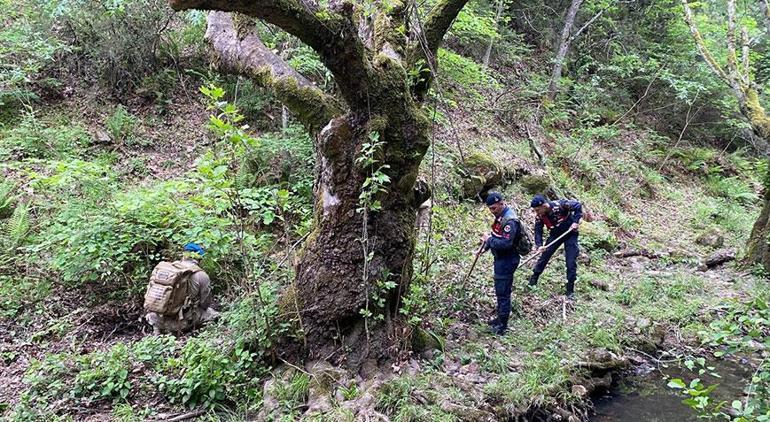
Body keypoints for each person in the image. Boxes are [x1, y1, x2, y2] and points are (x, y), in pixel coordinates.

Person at [144, 243, 218, 334]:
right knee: (212, 314)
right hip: (180, 322)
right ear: (199, 257)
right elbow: (205, 303)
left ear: (184, 255)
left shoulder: (167, 269)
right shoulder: (201, 275)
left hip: (154, 318)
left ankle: (158, 330)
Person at [478, 192, 521, 335]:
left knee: (503, 292)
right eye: (490, 208)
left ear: (502, 203)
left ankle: (503, 325)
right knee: (500, 290)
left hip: (507, 260)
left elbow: (506, 243)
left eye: (494, 208)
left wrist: (489, 241)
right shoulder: (500, 217)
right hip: (501, 259)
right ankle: (500, 318)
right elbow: (496, 235)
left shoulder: (510, 221)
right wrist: (486, 247)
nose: (492, 211)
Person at [528, 194, 582, 300]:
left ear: (544, 205)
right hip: (555, 235)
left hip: (570, 234)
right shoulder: (539, 216)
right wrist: (539, 246)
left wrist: (575, 222)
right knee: (544, 256)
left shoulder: (561, 205)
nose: (537, 213)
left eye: (538, 210)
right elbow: (538, 231)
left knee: (571, 261)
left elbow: (578, 205)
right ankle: (533, 280)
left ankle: (570, 289)